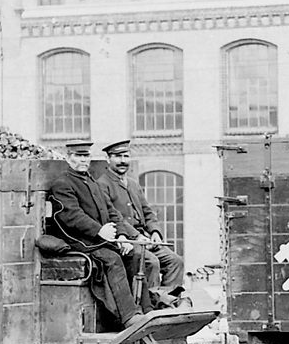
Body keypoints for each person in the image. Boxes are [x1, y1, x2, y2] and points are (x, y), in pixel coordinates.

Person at [44, 141, 147, 330]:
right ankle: (128, 316)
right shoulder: (63, 184)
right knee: (112, 259)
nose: (83, 160)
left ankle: (146, 311)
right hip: (78, 241)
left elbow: (112, 211)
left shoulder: (92, 181)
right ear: (69, 158)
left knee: (135, 255)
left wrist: (122, 236)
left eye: (86, 156)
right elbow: (72, 216)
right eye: (78, 156)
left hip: (100, 238)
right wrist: (99, 230)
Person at [91, 140, 188, 309]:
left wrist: (155, 232)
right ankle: (148, 310)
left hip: (145, 238)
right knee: (151, 263)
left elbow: (147, 211)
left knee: (175, 262)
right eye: (117, 157)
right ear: (108, 159)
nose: (122, 161)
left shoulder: (133, 184)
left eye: (126, 156)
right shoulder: (102, 185)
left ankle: (166, 303)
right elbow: (112, 216)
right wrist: (138, 237)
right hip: (124, 240)